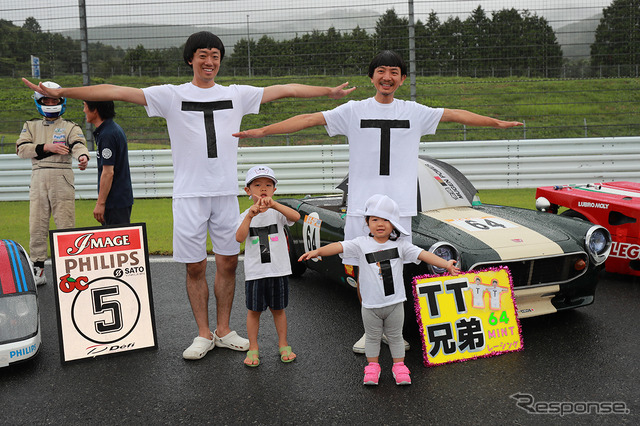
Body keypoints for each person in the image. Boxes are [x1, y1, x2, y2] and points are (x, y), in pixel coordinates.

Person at [23, 31, 355, 360]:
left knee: (227, 263)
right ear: (190, 60)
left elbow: (287, 90)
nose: (209, 62)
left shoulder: (237, 94)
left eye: (215, 56)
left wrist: (327, 91)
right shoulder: (171, 95)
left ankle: (224, 330)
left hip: (225, 195)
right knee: (195, 267)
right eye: (203, 56)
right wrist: (61, 90)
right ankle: (202, 333)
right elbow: (117, 91)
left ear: (220, 61)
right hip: (187, 196)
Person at [233, 50, 523, 353]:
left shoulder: (414, 111)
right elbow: (309, 119)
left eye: (394, 72)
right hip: (362, 205)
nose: (387, 77)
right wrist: (263, 131)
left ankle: (392, 331)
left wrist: (497, 124)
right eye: (381, 71)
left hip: (399, 208)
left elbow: (454, 114)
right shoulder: (353, 110)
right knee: (362, 270)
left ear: (403, 78)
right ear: (372, 77)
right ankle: (370, 331)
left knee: (396, 268)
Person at [299, 194, 460, 385]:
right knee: (373, 338)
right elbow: (339, 246)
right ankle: (372, 367)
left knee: (396, 337)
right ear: (367, 223)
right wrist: (318, 251)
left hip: (395, 303)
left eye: (385, 219)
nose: (380, 224)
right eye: (374, 219)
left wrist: (446, 264)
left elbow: (424, 254)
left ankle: (399, 366)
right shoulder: (361, 244)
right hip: (370, 305)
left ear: (393, 224)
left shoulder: (401, 246)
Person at [16, 81, 90, 286]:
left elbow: (79, 145)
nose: (50, 102)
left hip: (62, 176)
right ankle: (38, 269)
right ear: (39, 102)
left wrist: (83, 157)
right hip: (38, 176)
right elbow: (22, 149)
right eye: (46, 99)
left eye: (54, 99)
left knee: (66, 224)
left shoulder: (70, 126)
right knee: (37, 224)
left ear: (61, 101)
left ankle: (67, 270)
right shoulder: (30, 126)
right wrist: (47, 147)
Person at [236, 165, 301, 367]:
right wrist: (249, 216)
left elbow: (295, 217)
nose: (263, 188)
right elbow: (238, 238)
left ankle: (283, 344)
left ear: (274, 189)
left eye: (268, 184)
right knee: (254, 311)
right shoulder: (245, 214)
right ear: (248, 191)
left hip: (278, 270)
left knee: (279, 309)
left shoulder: (277, 212)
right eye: (257, 185)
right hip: (256, 273)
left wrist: (274, 205)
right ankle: (253, 348)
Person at [83, 100, 133, 225]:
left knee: (116, 241)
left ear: (95, 110)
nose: (84, 111)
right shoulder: (110, 129)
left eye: (85, 107)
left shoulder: (107, 135)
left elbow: (108, 172)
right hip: (119, 200)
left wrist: (100, 203)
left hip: (115, 202)